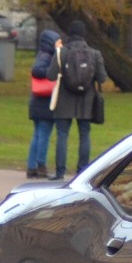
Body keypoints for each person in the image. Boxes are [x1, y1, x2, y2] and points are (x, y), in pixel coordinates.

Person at [46, 20, 107, 180]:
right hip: (86, 101)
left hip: (64, 100)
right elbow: (102, 77)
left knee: (62, 135)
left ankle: (60, 172)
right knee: (84, 135)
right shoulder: (94, 53)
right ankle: (82, 172)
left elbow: (50, 75)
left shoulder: (62, 52)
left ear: (69, 34)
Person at [26, 29, 60, 179]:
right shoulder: (47, 57)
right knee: (43, 135)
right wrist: (52, 72)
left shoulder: (42, 55)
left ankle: (32, 166)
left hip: (37, 103)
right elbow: (37, 71)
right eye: (57, 41)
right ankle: (40, 165)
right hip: (45, 103)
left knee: (38, 135)